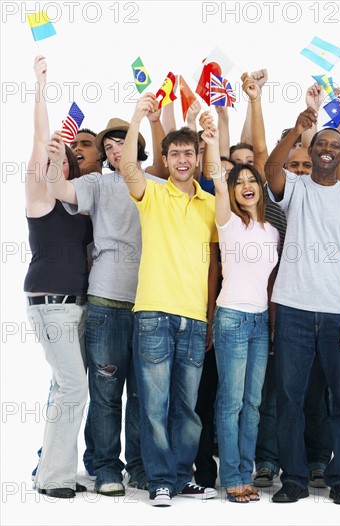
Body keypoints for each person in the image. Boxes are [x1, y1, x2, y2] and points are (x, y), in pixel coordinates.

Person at [45, 106, 167, 495]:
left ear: (137, 149)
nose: (116, 150)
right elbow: (62, 190)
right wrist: (50, 160)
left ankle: (139, 467)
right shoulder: (97, 184)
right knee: (106, 391)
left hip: (148, 303)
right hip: (106, 301)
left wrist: (149, 118)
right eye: (109, 145)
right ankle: (107, 469)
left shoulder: (156, 186)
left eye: (123, 143)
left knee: (143, 395)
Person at [265, 106, 340, 505]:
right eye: (320, 145)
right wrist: (297, 130)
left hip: (335, 312)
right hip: (292, 307)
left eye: (334, 146)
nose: (327, 150)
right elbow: (270, 167)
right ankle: (293, 478)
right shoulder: (295, 186)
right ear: (311, 152)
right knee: (290, 399)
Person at [121, 93, 219, 507]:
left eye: (189, 153)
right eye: (175, 153)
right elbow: (128, 167)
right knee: (155, 405)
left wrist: (212, 138)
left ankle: (182, 476)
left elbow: (216, 265)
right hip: (154, 313)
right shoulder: (154, 195)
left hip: (195, 318)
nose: (182, 160)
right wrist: (137, 115)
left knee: (188, 407)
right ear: (165, 159)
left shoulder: (211, 204)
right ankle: (160, 478)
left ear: (197, 159)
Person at [201, 110, 279, 503]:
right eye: (240, 182)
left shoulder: (272, 230)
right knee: (230, 401)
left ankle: (245, 471)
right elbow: (216, 178)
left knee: (253, 403)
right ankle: (231, 476)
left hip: (259, 320)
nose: (246, 185)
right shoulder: (228, 222)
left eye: (252, 180)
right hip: (231, 318)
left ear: (260, 188)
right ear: (232, 192)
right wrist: (212, 139)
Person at [25, 56, 92, 499]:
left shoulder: (78, 206)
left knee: (63, 387)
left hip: (79, 306)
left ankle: (50, 470)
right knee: (74, 387)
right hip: (51, 305)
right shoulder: (39, 197)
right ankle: (54, 479)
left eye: (65, 159)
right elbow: (38, 139)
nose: (58, 164)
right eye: (54, 158)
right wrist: (41, 85)